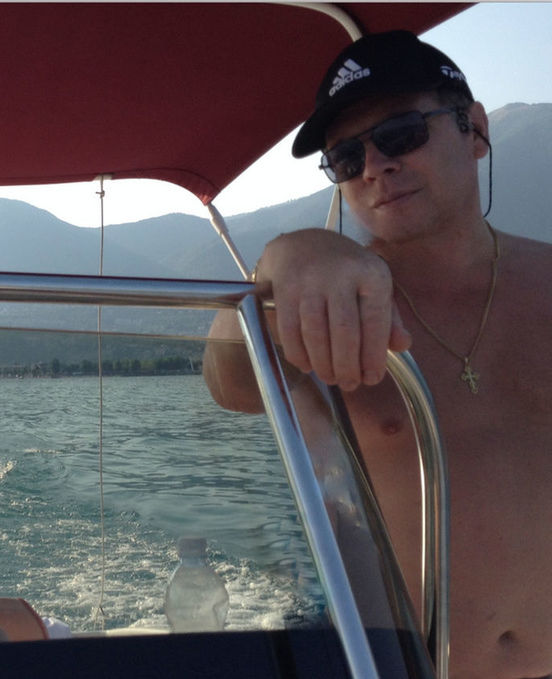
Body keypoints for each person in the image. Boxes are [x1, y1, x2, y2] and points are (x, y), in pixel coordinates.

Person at [204, 31, 552, 679]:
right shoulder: (322, 305)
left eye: (400, 133)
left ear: (474, 130)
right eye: (345, 156)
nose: (373, 166)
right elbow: (229, 382)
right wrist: (280, 260)